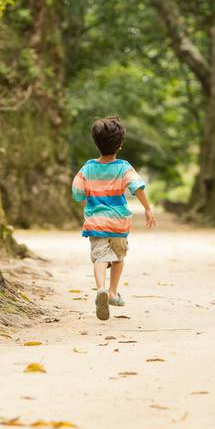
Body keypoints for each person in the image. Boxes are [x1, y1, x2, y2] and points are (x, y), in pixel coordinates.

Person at [71, 116, 156, 320]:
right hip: (118, 223)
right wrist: (147, 209)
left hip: (96, 222)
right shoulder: (123, 167)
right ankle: (112, 292)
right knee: (118, 258)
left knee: (100, 258)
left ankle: (100, 288)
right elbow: (137, 187)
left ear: (96, 143)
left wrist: (87, 198)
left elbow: (77, 192)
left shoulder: (88, 168)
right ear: (120, 145)